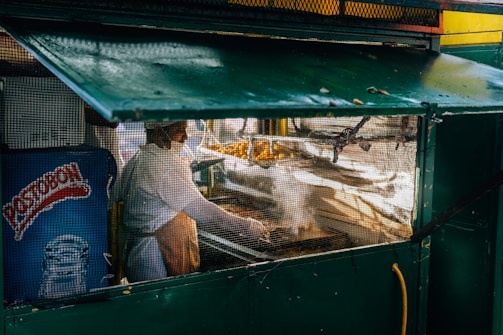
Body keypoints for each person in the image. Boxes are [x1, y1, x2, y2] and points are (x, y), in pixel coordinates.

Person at [113, 120, 268, 283]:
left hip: (136, 254)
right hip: (157, 259)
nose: (186, 137)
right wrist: (248, 227)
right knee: (165, 304)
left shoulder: (137, 159)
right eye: (180, 130)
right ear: (159, 132)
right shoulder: (165, 163)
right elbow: (204, 213)